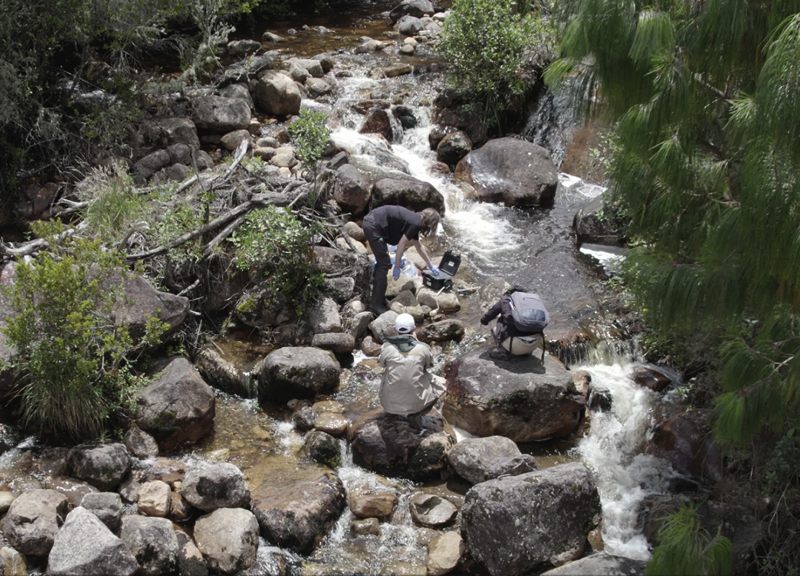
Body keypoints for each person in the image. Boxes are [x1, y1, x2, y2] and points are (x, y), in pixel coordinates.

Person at [362, 205, 441, 315]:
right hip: (373, 225)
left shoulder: (414, 220)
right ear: (431, 222)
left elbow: (418, 246)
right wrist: (397, 266)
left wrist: (430, 265)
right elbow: (401, 245)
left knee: (383, 262)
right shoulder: (415, 223)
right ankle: (375, 304)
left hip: (373, 222)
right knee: (384, 263)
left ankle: (379, 298)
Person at [378, 313, 446, 417]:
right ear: (414, 328)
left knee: (387, 372)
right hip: (418, 406)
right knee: (435, 379)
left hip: (390, 406)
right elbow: (429, 366)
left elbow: (381, 364)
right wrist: (417, 342)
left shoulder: (386, 348)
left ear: (395, 329)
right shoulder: (423, 348)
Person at [480, 286, 545, 360]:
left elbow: (485, 320)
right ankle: (527, 351)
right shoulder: (532, 302)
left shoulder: (506, 300)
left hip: (514, 347)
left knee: (493, 320)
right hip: (534, 345)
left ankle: (503, 353)